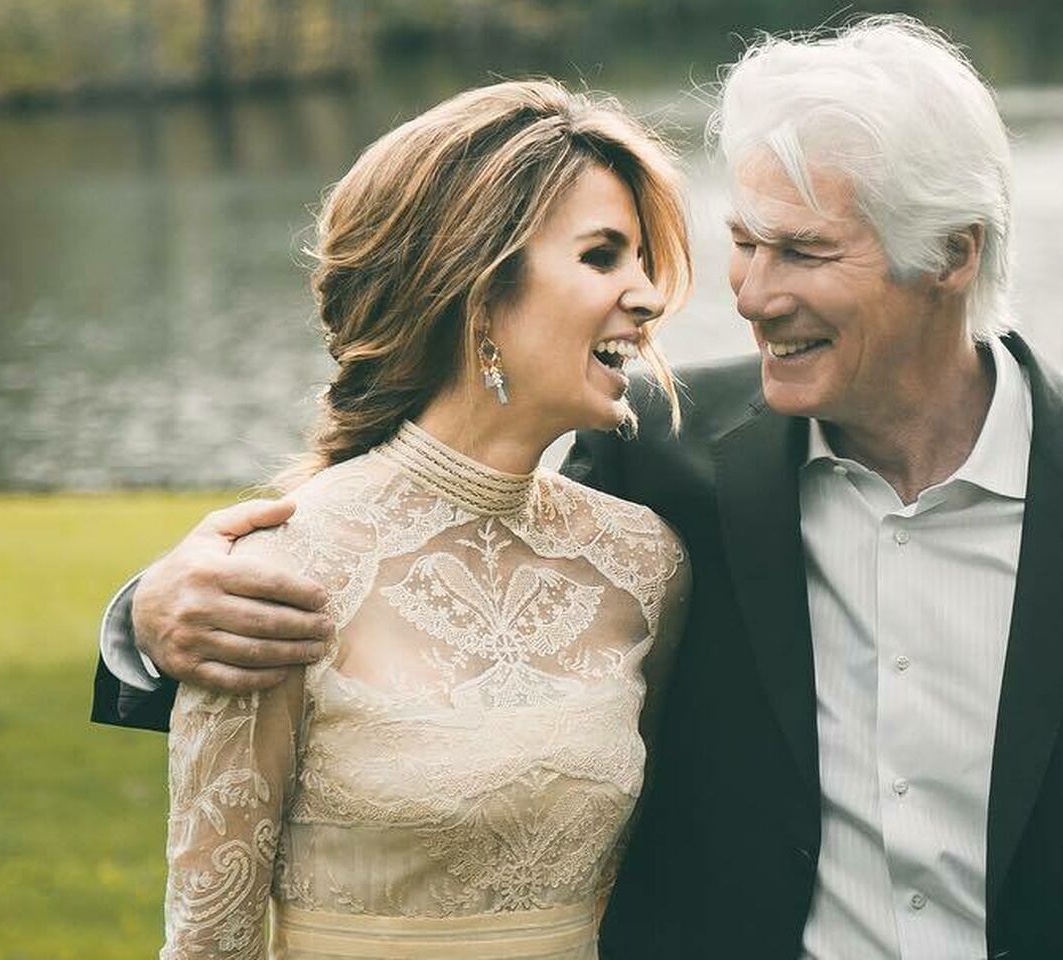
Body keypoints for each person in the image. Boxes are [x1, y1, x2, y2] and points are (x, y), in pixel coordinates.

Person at [95, 16, 1063, 960]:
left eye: (802, 252)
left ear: (950, 258)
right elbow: (423, 580)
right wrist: (147, 624)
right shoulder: (661, 459)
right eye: (743, 242)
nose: (744, 293)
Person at [114, 79, 696, 958]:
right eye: (603, 256)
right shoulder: (272, 571)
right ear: (479, 292)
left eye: (643, 261)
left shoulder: (643, 563)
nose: (649, 297)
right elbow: (208, 943)